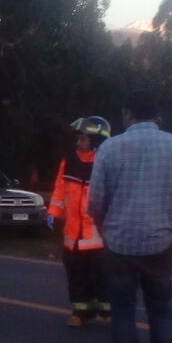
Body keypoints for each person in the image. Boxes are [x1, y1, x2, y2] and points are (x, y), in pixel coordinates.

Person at [89, 90, 172, 343]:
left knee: (122, 312)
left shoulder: (110, 148)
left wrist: (105, 228)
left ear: (128, 114)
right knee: (161, 309)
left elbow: (96, 200)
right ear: (156, 115)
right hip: (158, 243)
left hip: (119, 244)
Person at [47, 116, 111, 328]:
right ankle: (80, 312)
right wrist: (53, 211)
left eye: (83, 139)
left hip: (98, 235)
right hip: (73, 233)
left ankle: (106, 309)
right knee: (76, 274)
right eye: (78, 139)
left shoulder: (105, 164)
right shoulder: (69, 161)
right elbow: (59, 189)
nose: (78, 143)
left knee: (101, 275)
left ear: (95, 141)